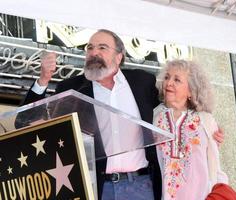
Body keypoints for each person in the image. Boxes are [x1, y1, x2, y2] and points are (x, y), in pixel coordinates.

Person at [20, 29, 224, 200]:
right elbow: (24, 122)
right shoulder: (72, 88)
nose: (93, 52)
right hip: (99, 188)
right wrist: (43, 80)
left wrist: (209, 129)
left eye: (102, 47)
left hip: (142, 186)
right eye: (89, 48)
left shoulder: (141, 82)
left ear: (119, 56)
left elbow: (174, 107)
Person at [153, 59, 228, 200]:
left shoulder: (206, 120)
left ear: (190, 90)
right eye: (167, 77)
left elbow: (215, 165)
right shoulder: (154, 117)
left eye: (177, 80)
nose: (169, 83)